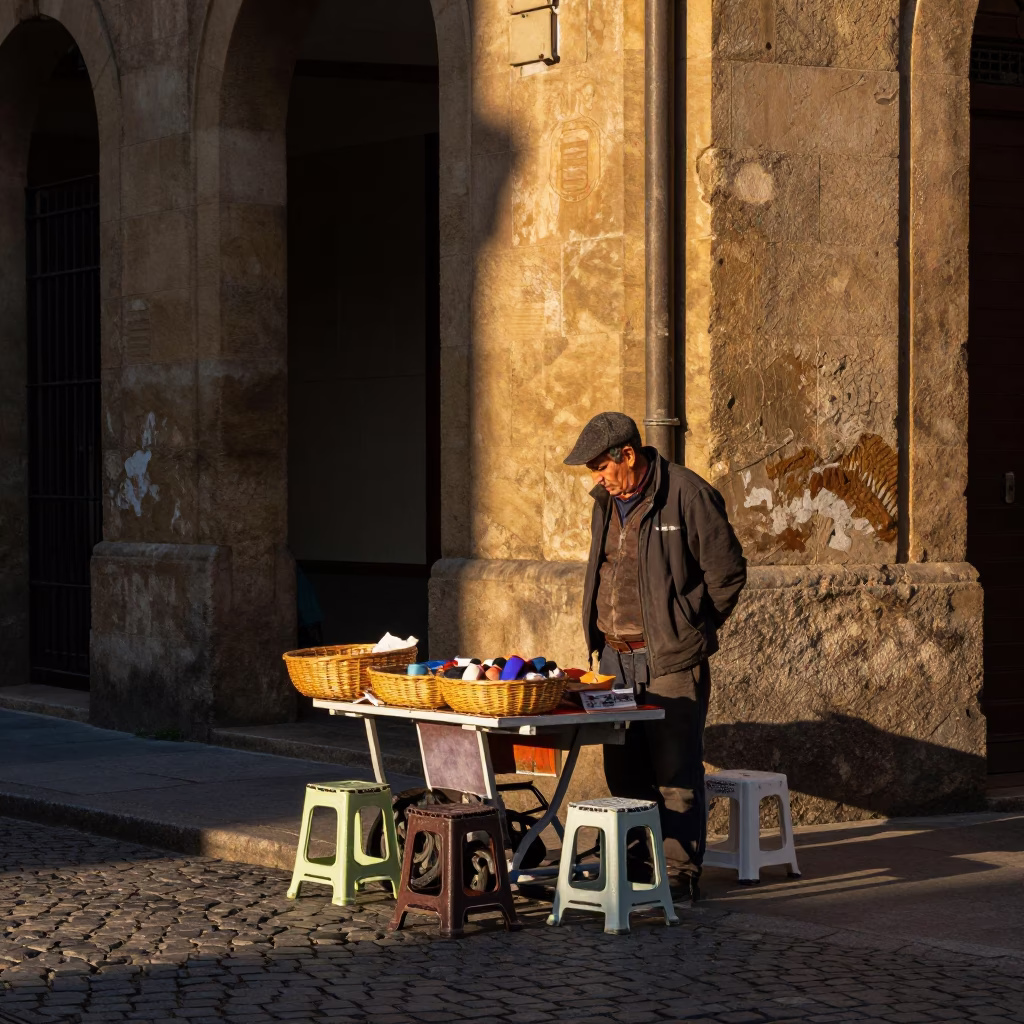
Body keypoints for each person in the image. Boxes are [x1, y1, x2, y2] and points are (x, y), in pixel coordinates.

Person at [564, 411, 747, 899]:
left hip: (669, 658)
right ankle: (634, 864)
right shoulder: (606, 502)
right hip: (613, 660)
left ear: (629, 455)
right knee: (623, 770)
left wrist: (689, 627)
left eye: (602, 467)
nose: (598, 479)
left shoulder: (687, 494)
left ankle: (680, 873)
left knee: (675, 771)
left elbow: (727, 574)